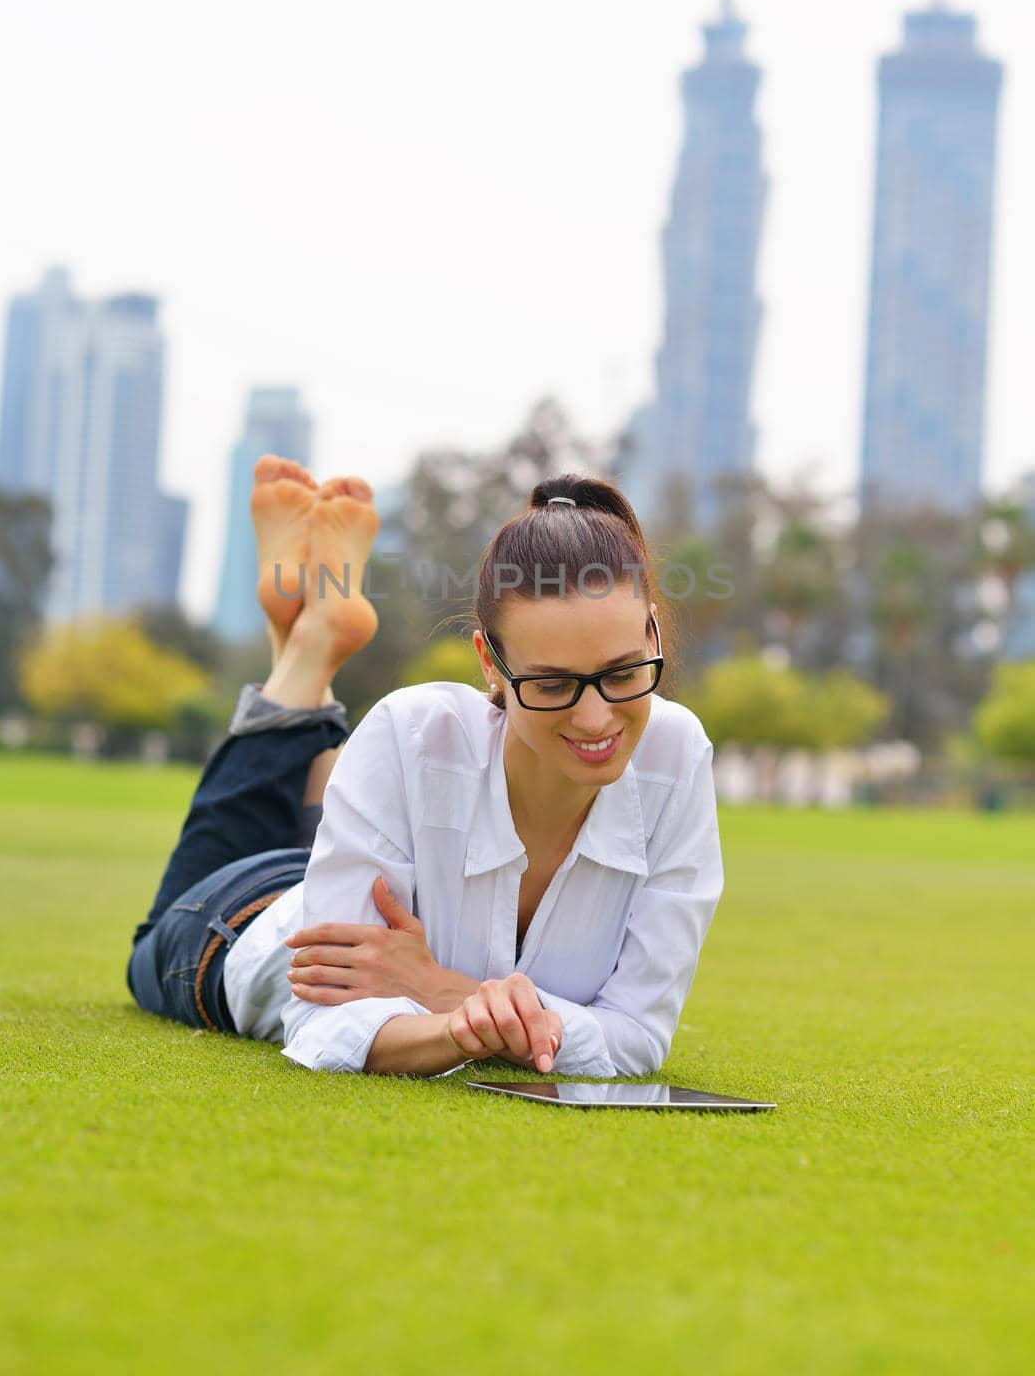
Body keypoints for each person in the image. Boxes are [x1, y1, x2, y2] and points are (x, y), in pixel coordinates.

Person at [128, 456, 724, 1079]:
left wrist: (443, 993)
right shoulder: (413, 734)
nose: (598, 718)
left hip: (343, 877)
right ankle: (306, 649)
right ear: (489, 664)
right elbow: (322, 1025)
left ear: (654, 631)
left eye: (624, 673)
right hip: (238, 923)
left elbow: (638, 1039)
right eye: (551, 686)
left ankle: (309, 628)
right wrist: (477, 1025)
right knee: (151, 939)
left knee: (326, 829)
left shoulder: (678, 756)